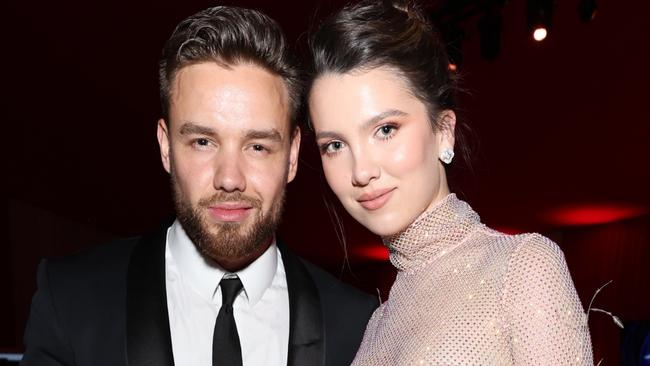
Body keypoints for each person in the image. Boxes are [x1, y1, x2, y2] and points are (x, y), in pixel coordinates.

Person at [21, 6, 377, 366]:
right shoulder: (71, 299)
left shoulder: (360, 326)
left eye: (257, 146)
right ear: (165, 147)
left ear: (292, 155)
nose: (229, 179)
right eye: (203, 142)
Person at [307, 1, 594, 364]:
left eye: (385, 130)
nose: (361, 171)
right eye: (335, 145)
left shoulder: (521, 267)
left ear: (443, 132)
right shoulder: (378, 324)